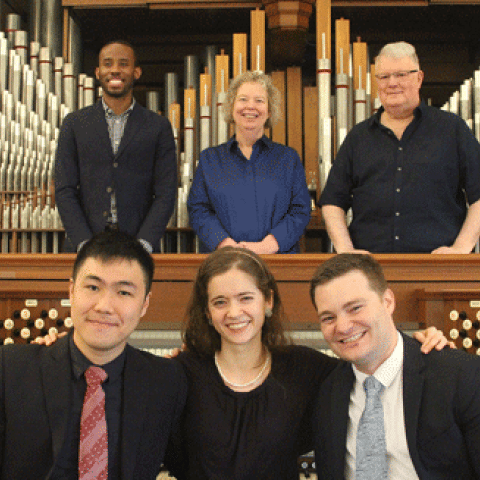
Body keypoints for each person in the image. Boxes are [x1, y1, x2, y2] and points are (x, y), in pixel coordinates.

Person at [163, 247, 449, 480]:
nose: (234, 312)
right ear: (207, 311)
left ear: (268, 300)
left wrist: (418, 342)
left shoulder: (305, 368)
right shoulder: (181, 374)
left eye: (246, 298)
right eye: (220, 302)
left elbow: (372, 362)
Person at [0, 231, 187, 479]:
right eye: (93, 287)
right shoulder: (11, 369)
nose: (104, 306)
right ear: (71, 290)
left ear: (144, 304)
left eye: (123, 292)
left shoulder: (166, 382)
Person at [310, 253, 480, 479]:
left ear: (387, 301)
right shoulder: (325, 390)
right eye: (328, 318)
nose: (342, 327)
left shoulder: (460, 375)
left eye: (355, 308)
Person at [319, 41, 480, 254]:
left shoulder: (452, 129)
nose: (392, 83)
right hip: (368, 270)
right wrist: (345, 250)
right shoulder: (357, 137)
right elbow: (332, 202)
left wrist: (461, 248)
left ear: (419, 78)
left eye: (401, 75)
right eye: (384, 77)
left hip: (437, 265)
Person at [55, 40, 177, 253]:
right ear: (97, 71)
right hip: (83, 245)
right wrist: (83, 242)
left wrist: (144, 243)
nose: (115, 70)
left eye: (123, 64)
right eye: (108, 64)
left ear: (136, 72)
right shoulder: (74, 123)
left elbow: (166, 192)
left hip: (139, 245)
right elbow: (64, 189)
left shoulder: (158, 126)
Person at [187, 70, 311, 254]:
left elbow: (300, 211)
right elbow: (198, 210)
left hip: (277, 261)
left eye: (259, 100)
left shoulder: (288, 159)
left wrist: (267, 247)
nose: (250, 106)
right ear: (231, 107)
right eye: (243, 99)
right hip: (224, 262)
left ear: (269, 111)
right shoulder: (209, 159)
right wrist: (225, 245)